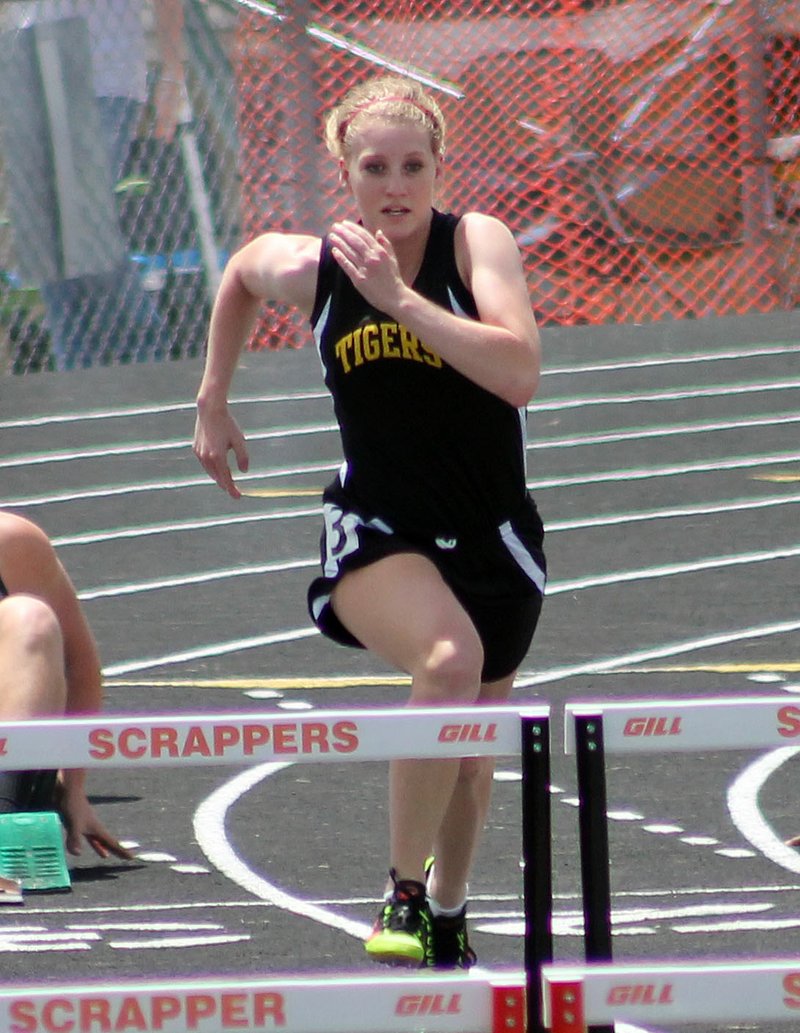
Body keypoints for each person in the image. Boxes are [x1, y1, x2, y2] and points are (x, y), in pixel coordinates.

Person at [193, 74, 546, 969]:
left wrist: (400, 300)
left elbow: (517, 372)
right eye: (374, 166)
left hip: (495, 532)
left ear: (439, 170)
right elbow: (238, 272)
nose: (395, 184)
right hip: (378, 529)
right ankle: (402, 888)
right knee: (447, 661)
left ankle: (453, 911)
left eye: (413, 166)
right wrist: (212, 399)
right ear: (344, 173)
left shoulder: (476, 244)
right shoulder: (315, 268)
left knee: (470, 753)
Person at [0, 0, 185, 370]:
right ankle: (77, 372)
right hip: (32, 67)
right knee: (48, 242)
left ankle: (146, 338)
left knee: (84, 219)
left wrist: (172, 70)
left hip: (104, 74)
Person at [0, 511, 133, 882]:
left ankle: (5, 823)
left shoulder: (11, 542)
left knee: (32, 619)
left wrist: (73, 787)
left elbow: (80, 666)